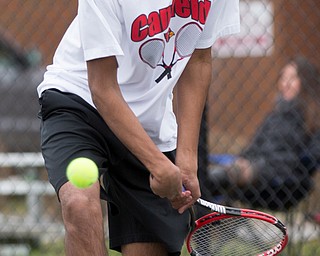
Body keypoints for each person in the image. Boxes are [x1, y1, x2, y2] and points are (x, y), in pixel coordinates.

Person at [37, 1, 240, 255]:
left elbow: (198, 59)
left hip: (150, 124)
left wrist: (187, 160)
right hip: (80, 99)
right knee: (79, 203)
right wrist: (157, 165)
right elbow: (102, 86)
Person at [205, 56, 320, 210]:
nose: (285, 83)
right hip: (257, 168)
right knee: (213, 174)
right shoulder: (275, 115)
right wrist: (244, 159)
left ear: (306, 82)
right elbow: (254, 145)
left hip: (286, 175)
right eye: (283, 78)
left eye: (292, 78)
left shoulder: (313, 117)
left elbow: (310, 159)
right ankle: (213, 216)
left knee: (226, 175)